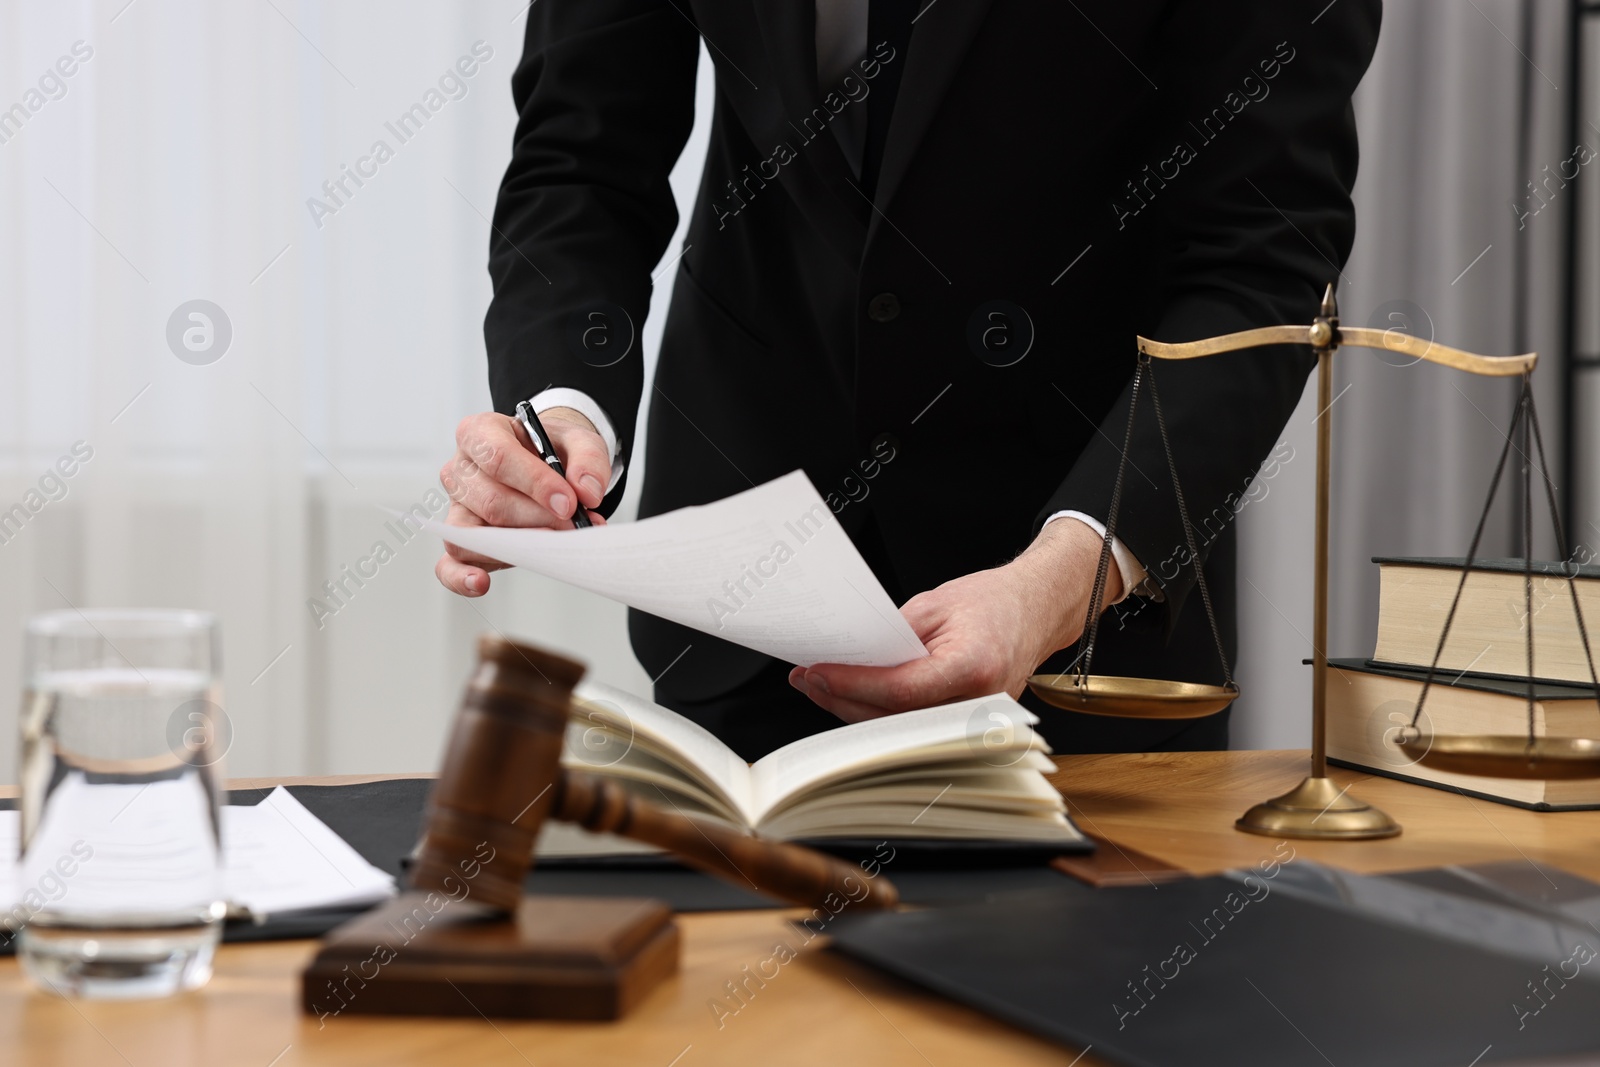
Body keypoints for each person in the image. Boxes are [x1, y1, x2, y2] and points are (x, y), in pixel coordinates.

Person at [435, 0, 1383, 761]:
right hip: (740, 608)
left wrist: (1054, 587)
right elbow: (582, 158)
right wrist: (561, 410)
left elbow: (1258, 259)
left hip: (1082, 641)